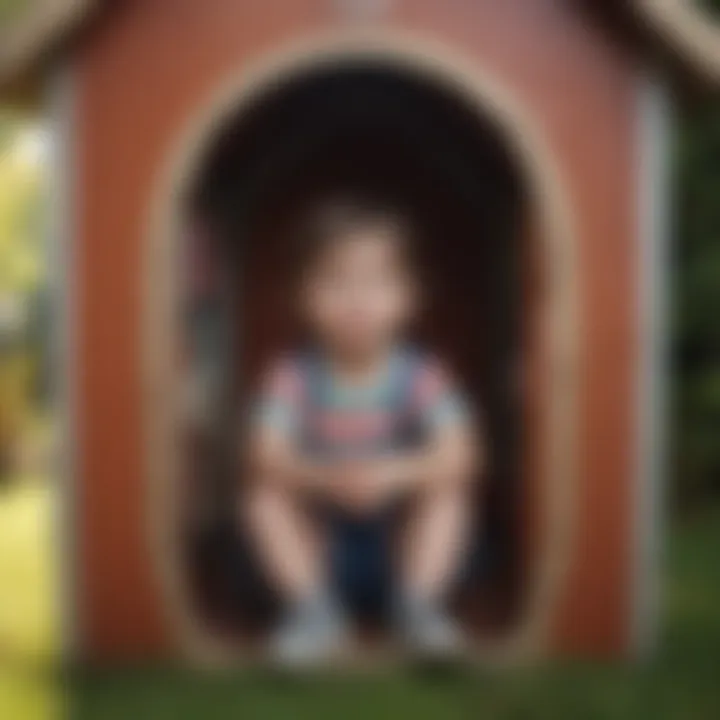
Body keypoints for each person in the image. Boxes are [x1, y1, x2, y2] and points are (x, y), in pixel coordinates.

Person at [243, 197, 481, 666]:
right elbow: (262, 455)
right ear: (304, 297)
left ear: (407, 298)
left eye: (375, 283)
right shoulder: (292, 378)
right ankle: (314, 613)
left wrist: (396, 474)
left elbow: (463, 452)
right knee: (262, 497)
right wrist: (321, 477)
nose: (356, 300)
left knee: (450, 492)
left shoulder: (420, 375)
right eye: (335, 282)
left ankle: (419, 609)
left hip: (400, 542)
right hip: (320, 547)